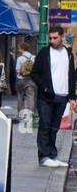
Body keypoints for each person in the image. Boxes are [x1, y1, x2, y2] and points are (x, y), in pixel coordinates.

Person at [29, 27, 77, 167]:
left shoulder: (68, 54)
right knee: (45, 125)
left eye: (55, 38)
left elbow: (71, 76)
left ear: (62, 36)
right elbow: (34, 73)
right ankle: (44, 156)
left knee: (54, 127)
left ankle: (52, 155)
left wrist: (73, 97)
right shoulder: (44, 53)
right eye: (50, 38)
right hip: (46, 97)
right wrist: (45, 87)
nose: (52, 40)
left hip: (62, 96)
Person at [15, 37, 37, 132]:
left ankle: (21, 114)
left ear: (22, 49)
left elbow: (17, 70)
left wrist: (22, 72)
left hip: (21, 80)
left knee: (20, 97)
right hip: (31, 80)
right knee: (30, 96)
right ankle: (31, 112)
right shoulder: (34, 57)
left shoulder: (20, 58)